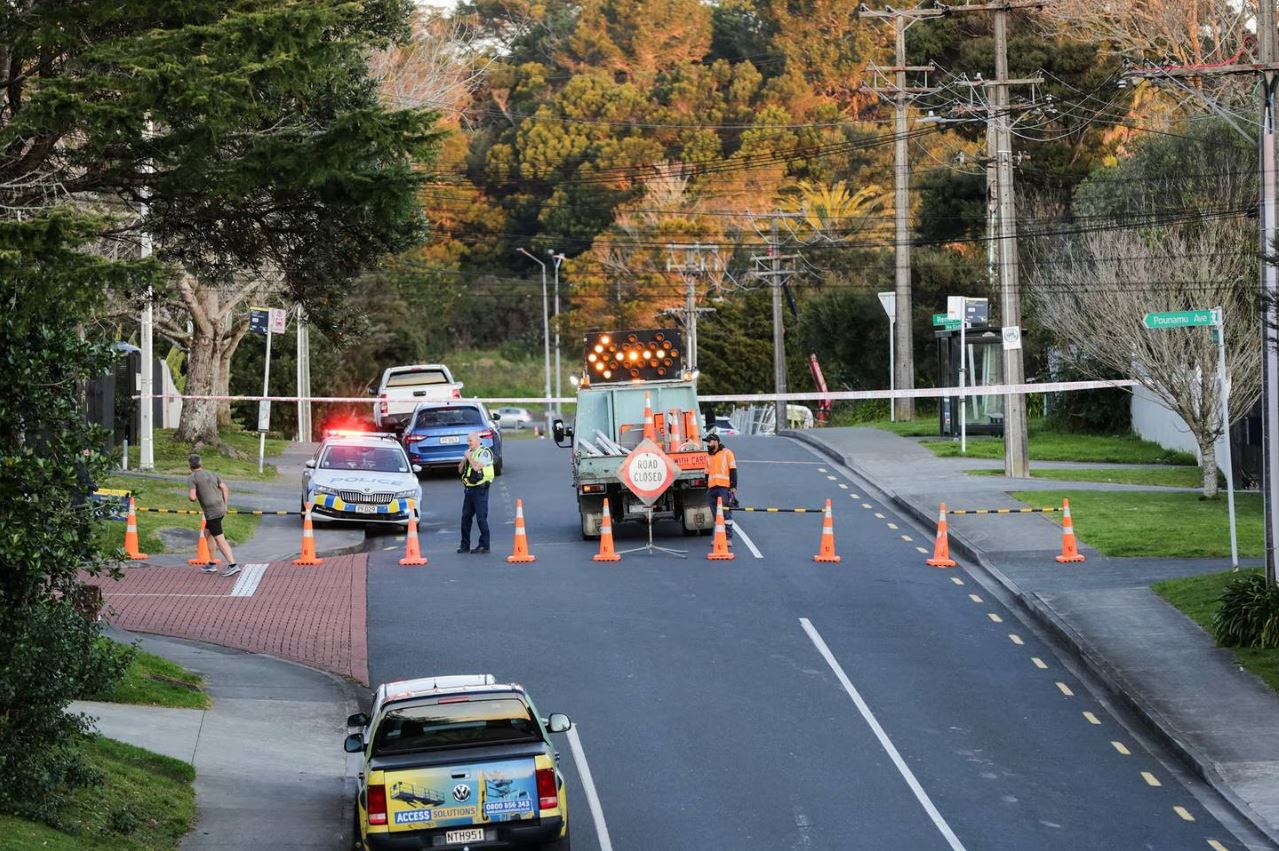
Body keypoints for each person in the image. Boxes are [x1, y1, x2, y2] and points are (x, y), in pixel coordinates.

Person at [187, 454, 239, 576]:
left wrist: (190, 496)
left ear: (189, 465)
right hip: (220, 508)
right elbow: (225, 488)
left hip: (212, 512)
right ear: (201, 463)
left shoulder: (192, 478)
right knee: (207, 533)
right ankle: (211, 563)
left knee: (220, 539)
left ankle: (233, 565)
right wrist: (225, 505)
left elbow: (192, 497)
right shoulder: (212, 474)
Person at [457, 432, 495, 554]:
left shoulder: (485, 452)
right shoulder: (470, 453)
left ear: (477, 441)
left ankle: (484, 544)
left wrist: (469, 457)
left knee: (481, 517)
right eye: (467, 441)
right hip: (469, 489)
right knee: (465, 518)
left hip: (480, 489)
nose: (468, 443)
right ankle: (465, 545)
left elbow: (477, 467)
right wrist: (464, 459)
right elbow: (460, 470)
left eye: (470, 441)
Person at [705, 430, 737, 544]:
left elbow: (733, 470)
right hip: (712, 488)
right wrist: (707, 488)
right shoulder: (708, 456)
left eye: (710, 442)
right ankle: (719, 538)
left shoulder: (727, 453)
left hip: (724, 487)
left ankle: (728, 538)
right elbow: (707, 473)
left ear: (717, 442)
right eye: (707, 442)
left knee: (726, 513)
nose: (708, 444)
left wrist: (733, 486)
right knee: (716, 515)